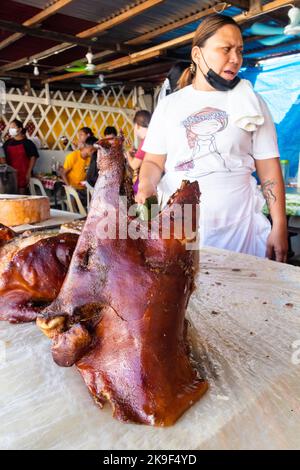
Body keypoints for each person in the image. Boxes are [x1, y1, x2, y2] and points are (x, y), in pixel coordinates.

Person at [136, 14, 288, 262]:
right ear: (197, 54)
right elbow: (153, 162)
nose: (235, 59)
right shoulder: (170, 105)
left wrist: (279, 224)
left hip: (240, 229)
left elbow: (269, 168)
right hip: (180, 226)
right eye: (225, 49)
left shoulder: (252, 102)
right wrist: (146, 185)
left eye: (239, 50)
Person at [3, 119, 39, 194]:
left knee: (21, 196)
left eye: (13, 127)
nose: (10, 130)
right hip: (10, 174)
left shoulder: (28, 143)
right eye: (10, 128)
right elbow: (2, 156)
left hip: (23, 174)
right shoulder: (8, 143)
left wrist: (29, 172)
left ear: (20, 129)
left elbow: (33, 157)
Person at [125, 110, 151, 194]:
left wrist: (128, 154)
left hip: (147, 183)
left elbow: (134, 165)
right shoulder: (153, 139)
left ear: (137, 126)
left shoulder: (146, 142)